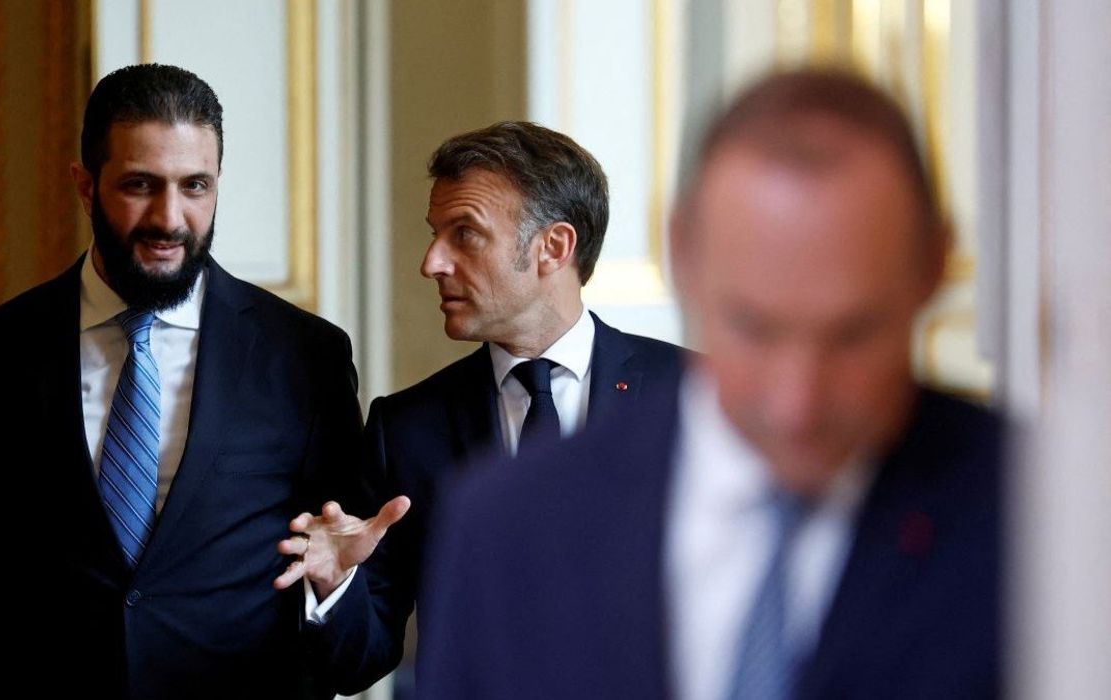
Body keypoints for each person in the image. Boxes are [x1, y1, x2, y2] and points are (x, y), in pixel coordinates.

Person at [417, 69, 1003, 700]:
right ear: (682, 256)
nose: (795, 401)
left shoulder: (1039, 509)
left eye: (852, 335)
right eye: (754, 328)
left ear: (935, 266)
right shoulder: (509, 523)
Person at [0, 63, 365, 699]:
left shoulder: (306, 357)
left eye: (195, 186)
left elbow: (354, 609)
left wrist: (333, 590)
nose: (169, 218)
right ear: (86, 188)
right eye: (140, 185)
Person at [273, 121, 689, 695]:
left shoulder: (692, 395)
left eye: (464, 234)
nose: (432, 263)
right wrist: (336, 584)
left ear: (554, 247)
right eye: (435, 233)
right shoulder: (408, 429)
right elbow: (356, 664)